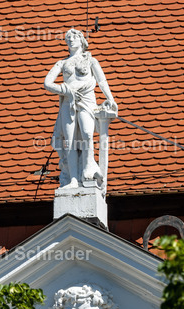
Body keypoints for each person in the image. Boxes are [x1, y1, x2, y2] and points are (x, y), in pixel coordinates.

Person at [43, 28, 117, 189]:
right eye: (68, 38)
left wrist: (110, 99)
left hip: (87, 101)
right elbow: (47, 83)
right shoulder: (62, 63)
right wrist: (65, 90)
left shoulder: (91, 60)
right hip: (68, 103)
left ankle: (88, 167)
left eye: (74, 37)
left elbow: (102, 81)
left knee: (87, 133)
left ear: (82, 41)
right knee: (69, 142)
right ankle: (74, 179)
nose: (70, 40)